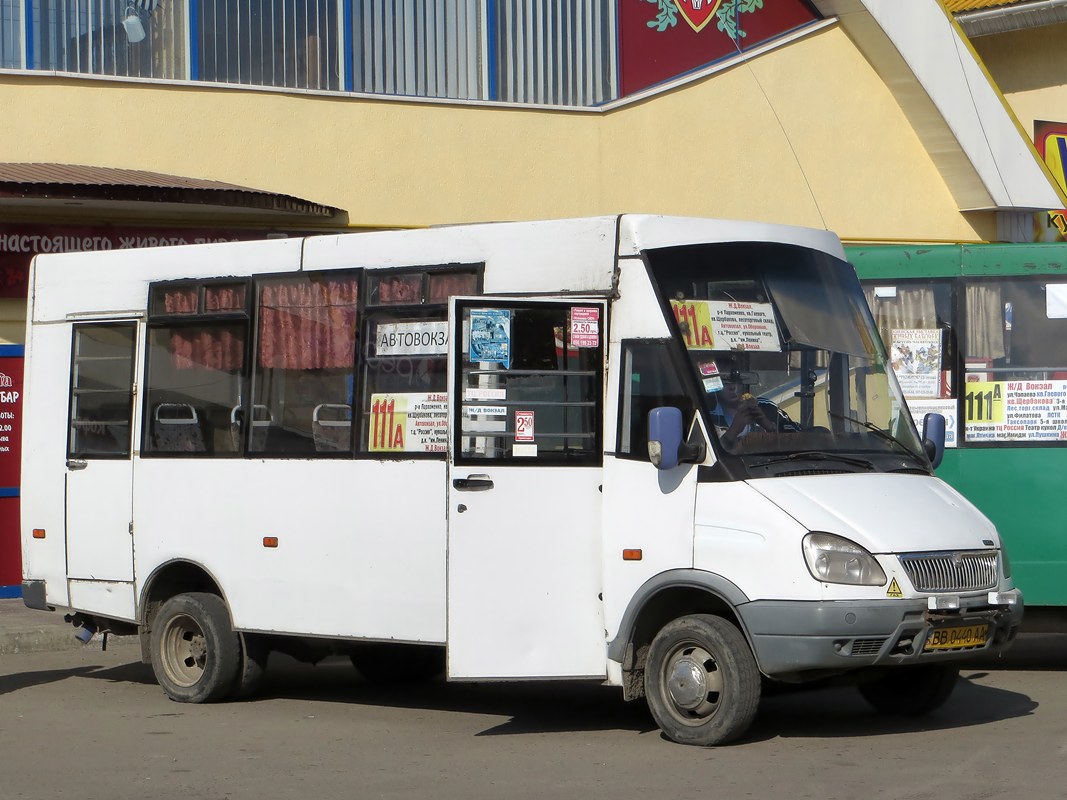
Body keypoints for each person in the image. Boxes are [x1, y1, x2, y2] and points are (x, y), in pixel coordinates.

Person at [708, 358, 800, 449]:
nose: (732, 387)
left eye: (735, 380)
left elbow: (798, 439)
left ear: (742, 382)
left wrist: (770, 427)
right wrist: (734, 430)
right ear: (715, 386)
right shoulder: (707, 415)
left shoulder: (766, 407)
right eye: (724, 382)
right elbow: (707, 454)